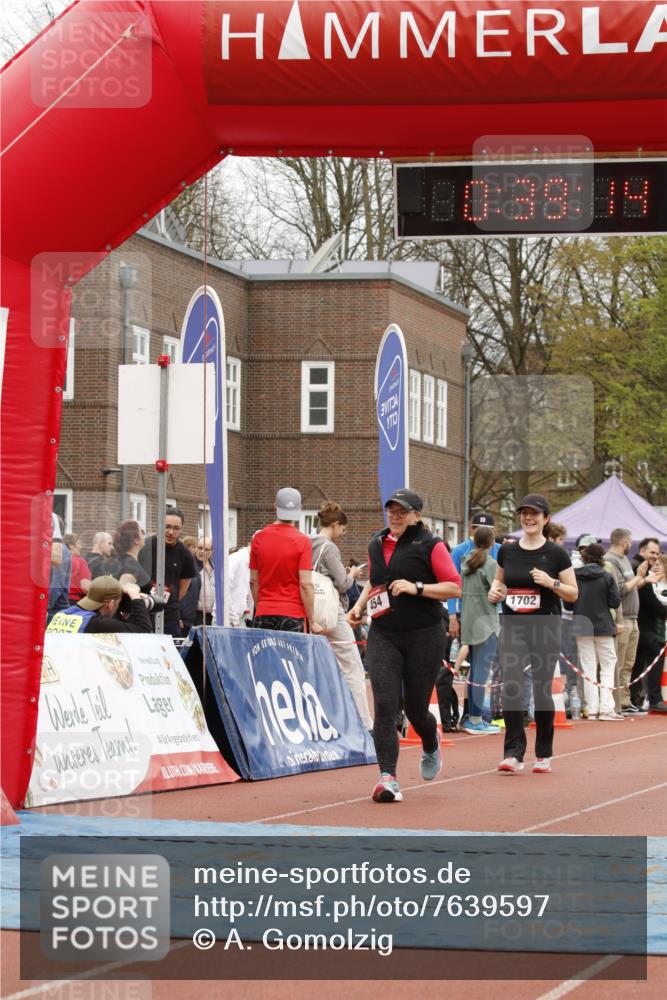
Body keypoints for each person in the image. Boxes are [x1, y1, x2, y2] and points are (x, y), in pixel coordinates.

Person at [347, 488, 461, 803]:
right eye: (392, 510)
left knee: (415, 709)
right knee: (384, 706)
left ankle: (431, 738)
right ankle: (388, 778)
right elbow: (375, 581)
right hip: (384, 633)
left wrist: (417, 587)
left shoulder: (431, 545)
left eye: (402, 511)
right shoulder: (376, 543)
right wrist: (358, 606)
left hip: (424, 634)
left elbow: (454, 587)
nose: (395, 516)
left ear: (416, 515)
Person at [488, 494, 577, 774]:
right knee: (512, 686)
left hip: (545, 624)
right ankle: (513, 753)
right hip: (513, 624)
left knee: (541, 688)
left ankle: (543, 753)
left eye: (534, 514)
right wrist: (495, 590)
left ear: (546, 519)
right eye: (524, 513)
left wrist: (551, 583)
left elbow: (573, 593)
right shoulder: (507, 551)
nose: (528, 518)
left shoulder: (556, 554)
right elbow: (499, 580)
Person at [311, 501, 373, 730]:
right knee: (353, 666)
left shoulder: (307, 544)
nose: (342, 534)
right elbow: (343, 584)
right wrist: (353, 574)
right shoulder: (329, 548)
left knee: (322, 667)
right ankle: (364, 723)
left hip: (312, 611)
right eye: (343, 530)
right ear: (336, 525)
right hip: (331, 611)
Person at [250, 487, 324, 635]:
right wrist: (313, 621)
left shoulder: (258, 538)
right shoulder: (303, 541)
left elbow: (253, 581)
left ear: (275, 506)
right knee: (293, 658)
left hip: (264, 612)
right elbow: (306, 584)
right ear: (300, 509)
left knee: (265, 658)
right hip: (293, 614)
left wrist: (262, 608)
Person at [568, 543, 622, 721]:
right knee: (607, 665)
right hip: (603, 624)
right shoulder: (606, 576)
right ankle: (606, 708)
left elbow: (568, 603)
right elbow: (615, 602)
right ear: (601, 557)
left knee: (588, 667)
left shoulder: (575, 576)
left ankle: (592, 709)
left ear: (584, 557)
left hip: (582, 624)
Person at [605, 528, 656, 715]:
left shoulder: (624, 560)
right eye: (629, 541)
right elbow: (619, 590)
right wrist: (639, 577)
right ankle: (616, 703)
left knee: (629, 664)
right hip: (623, 617)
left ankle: (625, 701)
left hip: (633, 618)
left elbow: (632, 586)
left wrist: (643, 579)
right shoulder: (610, 560)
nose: (630, 544)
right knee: (619, 663)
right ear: (624, 542)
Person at [459, 525, 502, 735]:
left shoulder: (466, 561)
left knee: (475, 672)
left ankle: (472, 717)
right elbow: (499, 592)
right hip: (486, 622)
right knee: (481, 673)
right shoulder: (491, 563)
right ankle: (475, 720)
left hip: (469, 620)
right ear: (492, 542)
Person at [139, 507, 197, 638]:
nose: (171, 532)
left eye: (176, 528)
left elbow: (184, 588)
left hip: (169, 615)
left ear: (181, 529)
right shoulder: (145, 547)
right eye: (167, 527)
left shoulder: (185, 553)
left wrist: (170, 601)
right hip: (143, 612)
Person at [46, 575, 152, 634]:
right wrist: (135, 596)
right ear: (110, 604)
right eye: (117, 603)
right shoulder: (95, 624)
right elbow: (143, 631)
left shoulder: (62, 614)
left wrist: (125, 616)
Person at [633, 538, 667, 713]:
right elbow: (648, 599)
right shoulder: (639, 568)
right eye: (652, 552)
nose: (655, 557)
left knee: (637, 662)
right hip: (643, 624)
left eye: (657, 553)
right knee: (652, 659)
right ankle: (654, 698)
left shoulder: (641, 568)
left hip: (644, 623)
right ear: (642, 550)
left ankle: (634, 698)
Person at [108, 520, 151, 591]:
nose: (144, 536)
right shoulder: (131, 565)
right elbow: (117, 593)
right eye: (142, 532)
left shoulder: (120, 560)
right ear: (136, 540)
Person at [63, 534, 92, 604]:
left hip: (57, 601)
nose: (81, 547)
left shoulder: (57, 562)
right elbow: (85, 587)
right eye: (79, 543)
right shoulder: (80, 562)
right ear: (71, 545)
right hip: (75, 602)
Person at [194, 536, 216, 626]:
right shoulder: (191, 565)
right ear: (195, 548)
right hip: (196, 616)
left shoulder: (215, 566)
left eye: (206, 549)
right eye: (200, 548)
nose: (203, 551)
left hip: (212, 617)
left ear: (211, 551)